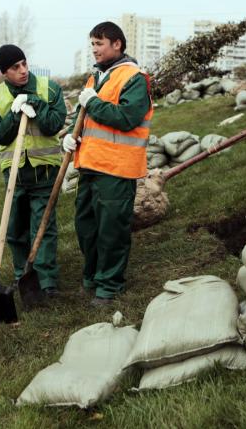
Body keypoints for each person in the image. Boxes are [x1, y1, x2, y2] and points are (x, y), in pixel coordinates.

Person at [62, 22, 152, 307]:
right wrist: (71, 137)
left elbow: (127, 118)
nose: (95, 49)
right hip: (89, 164)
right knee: (86, 226)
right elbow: (85, 117)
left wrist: (95, 103)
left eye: (99, 43)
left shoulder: (135, 77)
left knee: (111, 229)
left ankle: (109, 285)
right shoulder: (94, 78)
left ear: (117, 45)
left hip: (117, 168)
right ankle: (91, 277)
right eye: (92, 44)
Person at [0, 45, 66, 298]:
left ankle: (47, 280)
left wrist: (36, 103)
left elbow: (54, 125)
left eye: (24, 63)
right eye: (15, 67)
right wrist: (13, 112)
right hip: (15, 174)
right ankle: (22, 275)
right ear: (4, 72)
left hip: (45, 170)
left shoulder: (48, 88)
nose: (22, 70)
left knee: (43, 227)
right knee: (16, 229)